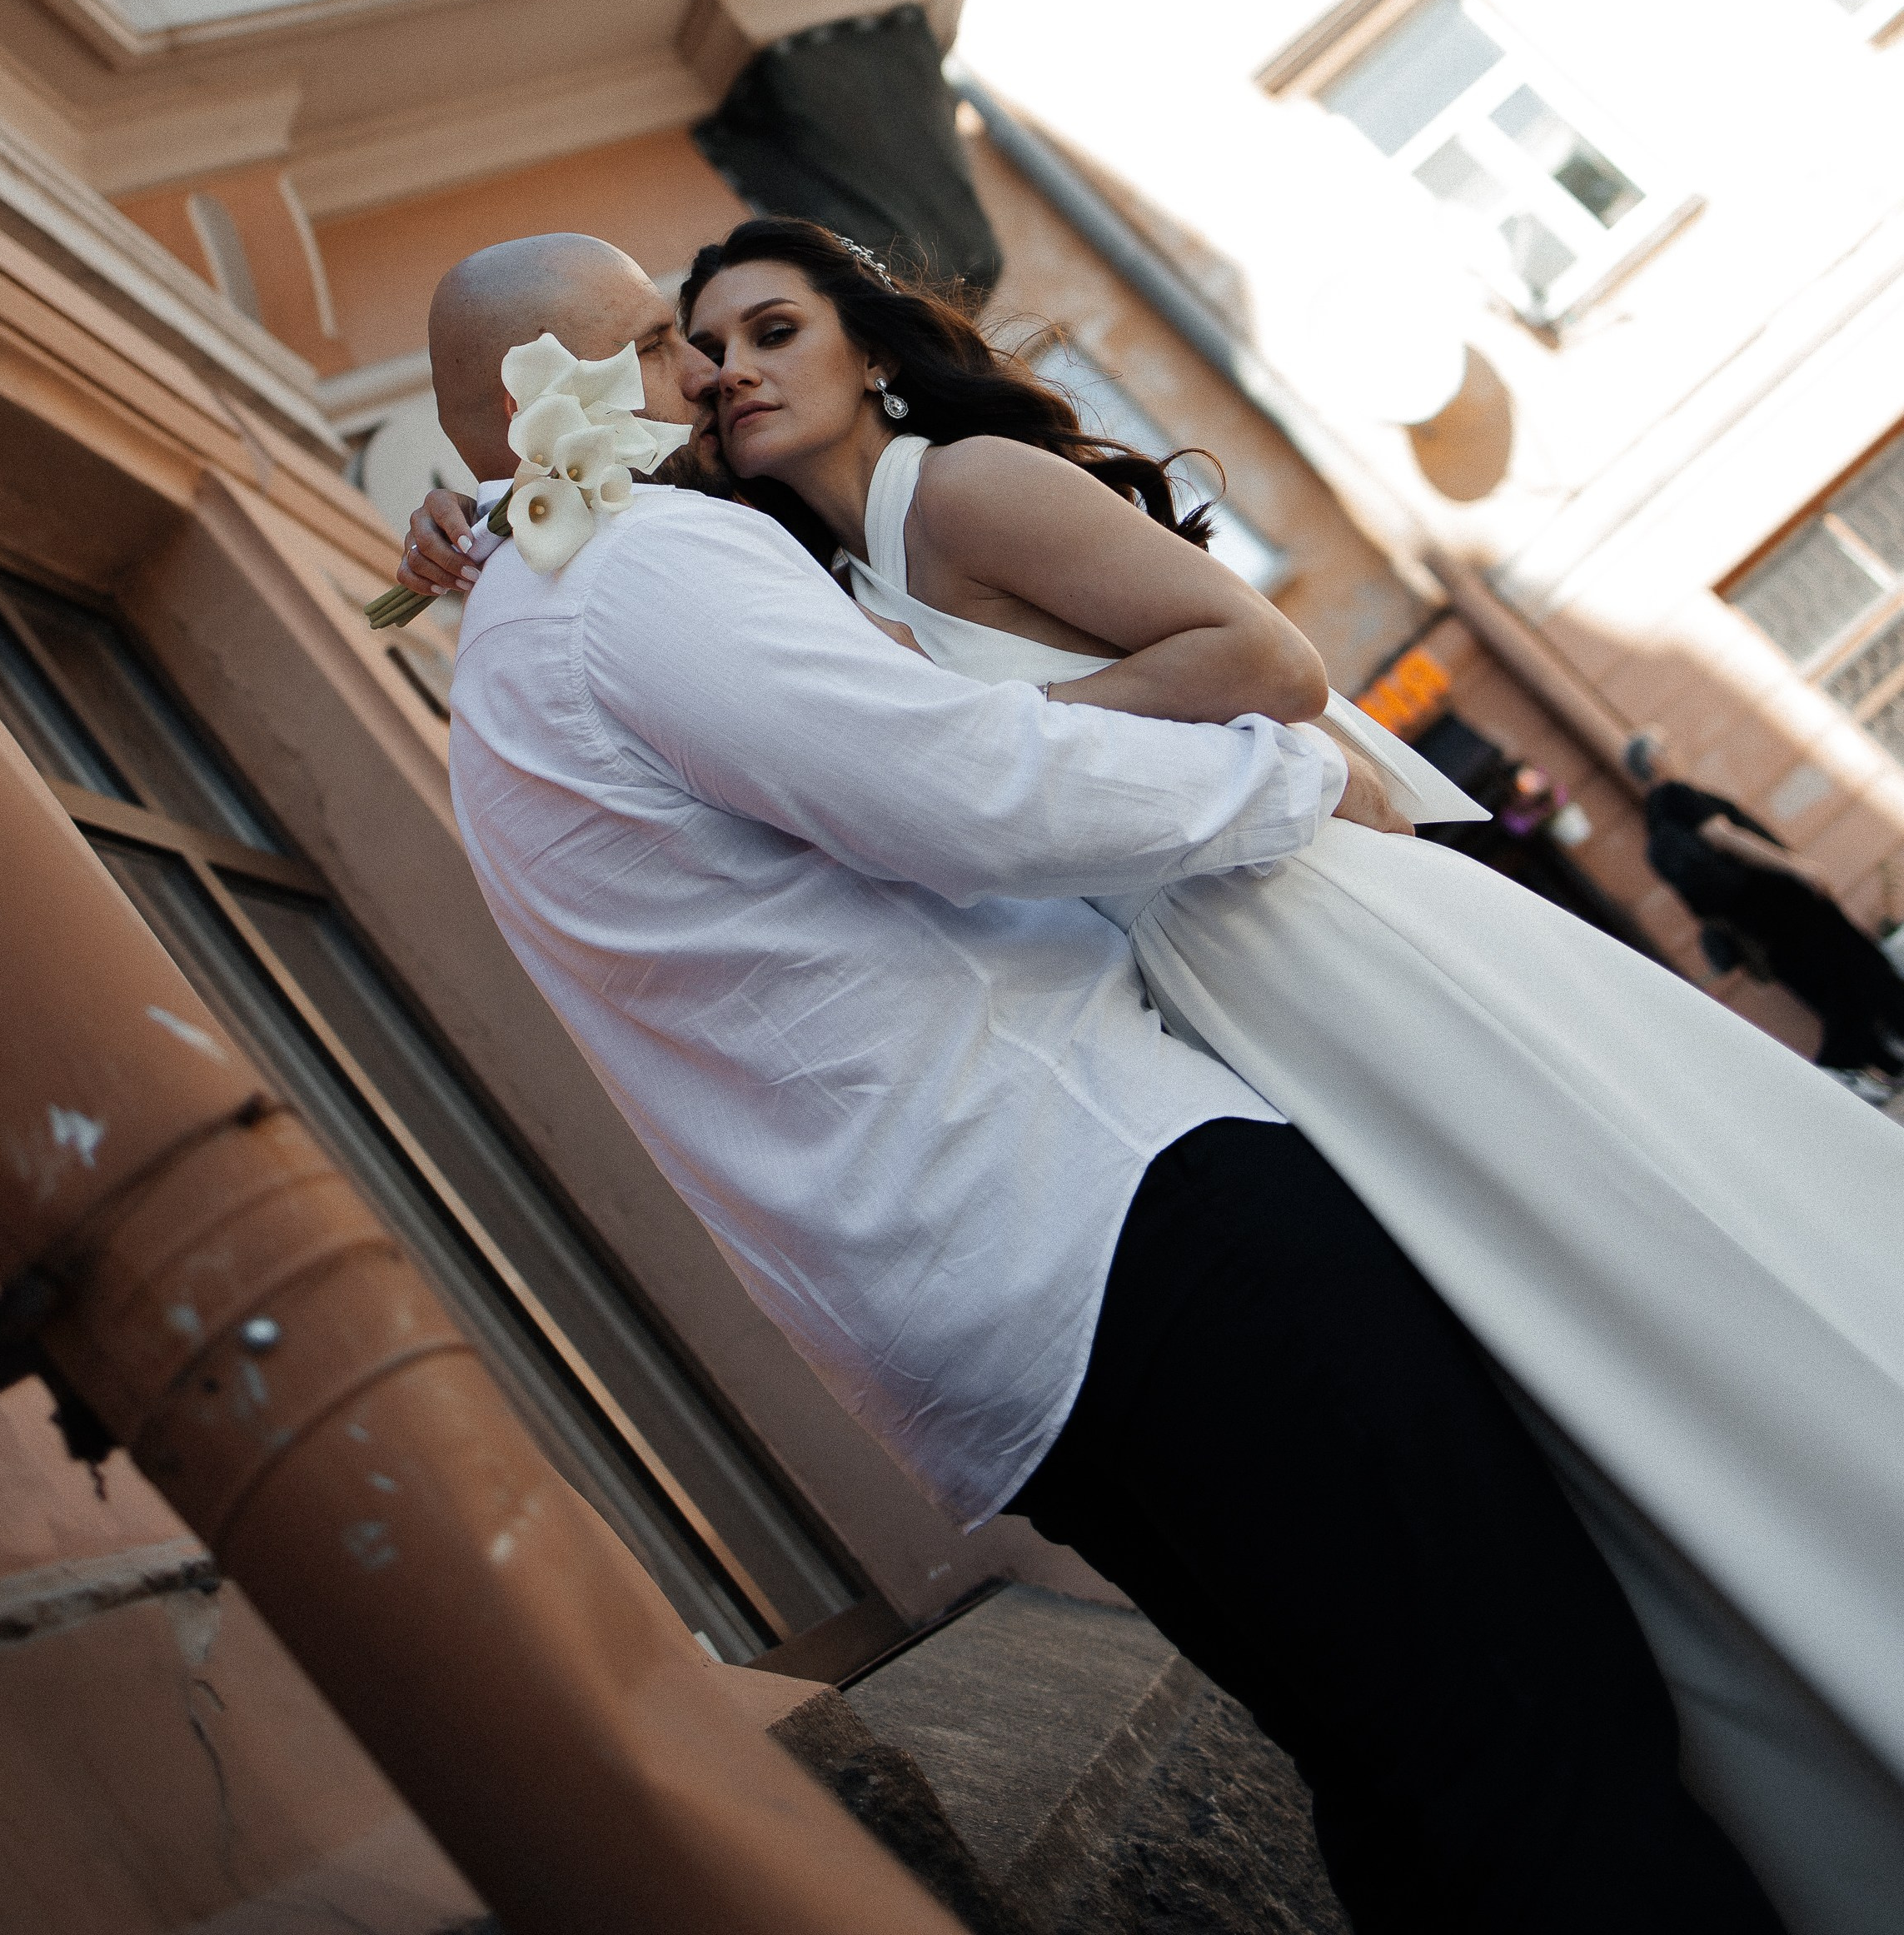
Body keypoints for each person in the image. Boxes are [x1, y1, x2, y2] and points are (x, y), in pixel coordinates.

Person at [406, 229, 1811, 1935]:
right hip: (1116, 1219)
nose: (703, 377)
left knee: (1412, 1762)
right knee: (1535, 1729)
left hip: (985, 1318)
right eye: (660, 342)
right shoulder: (633, 570)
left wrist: (477, 528)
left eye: (746, 337)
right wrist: (1283, 790)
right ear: (548, 395)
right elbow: (953, 789)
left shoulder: (511, 658)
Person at [1632, 749, 1904, 1080]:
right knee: (1862, 966)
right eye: (1663, 748)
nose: (1672, 754)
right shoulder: (1675, 793)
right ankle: (1841, 1070)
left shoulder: (1655, 822)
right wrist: (1795, 867)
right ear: (1654, 761)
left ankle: (1876, 1064)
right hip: (1782, 899)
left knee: (1836, 990)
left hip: (1756, 921)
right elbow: (1724, 836)